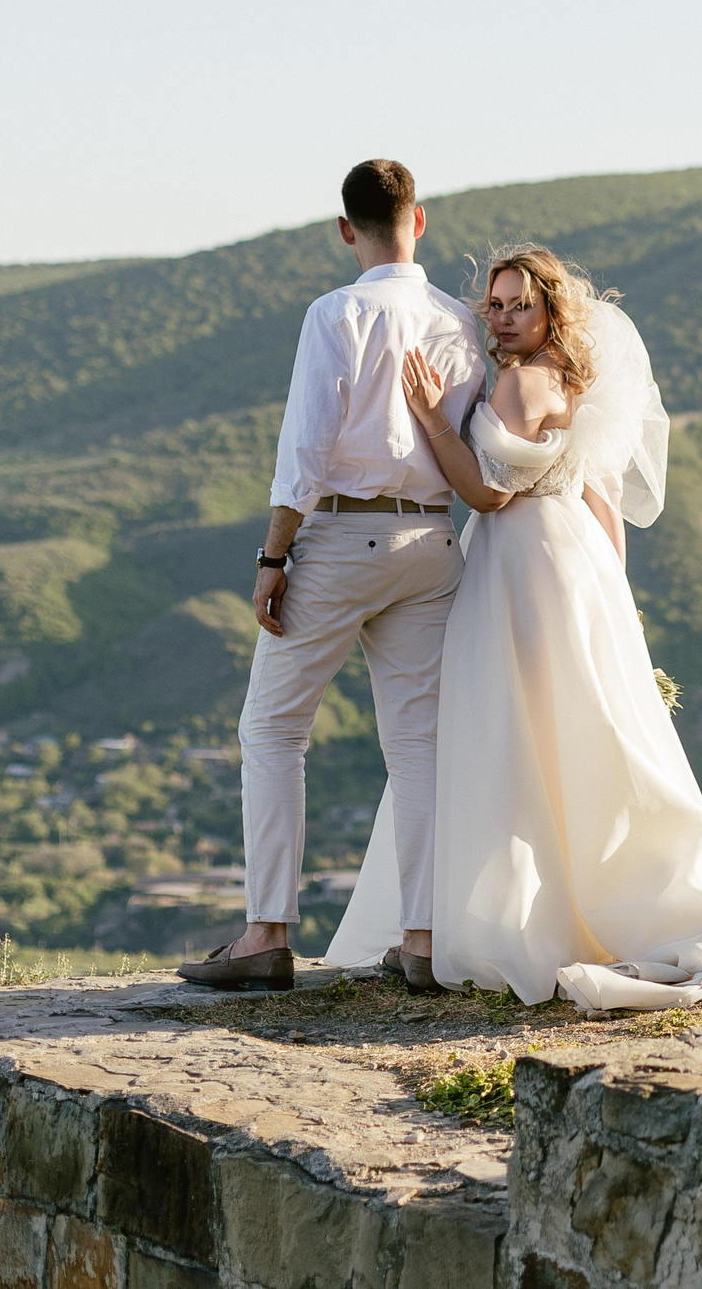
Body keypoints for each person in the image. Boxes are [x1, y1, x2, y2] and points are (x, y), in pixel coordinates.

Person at [321, 244, 702, 1010]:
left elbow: (486, 494)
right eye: (495, 304)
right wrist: (615, 599)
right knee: (571, 733)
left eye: (520, 305)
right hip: (568, 560)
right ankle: (573, 900)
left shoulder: (520, 383)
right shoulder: (571, 379)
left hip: (518, 564)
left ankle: (507, 918)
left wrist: (431, 418)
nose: (502, 318)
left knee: (509, 735)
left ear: (551, 309)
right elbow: (603, 499)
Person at [175, 161, 483, 992]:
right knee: (418, 744)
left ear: (346, 229)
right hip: (431, 538)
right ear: (420, 220)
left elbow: (305, 452)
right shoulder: (460, 321)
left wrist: (274, 556)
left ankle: (266, 933)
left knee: (273, 729)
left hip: (342, 539)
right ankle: (423, 941)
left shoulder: (336, 312)